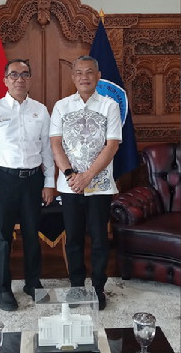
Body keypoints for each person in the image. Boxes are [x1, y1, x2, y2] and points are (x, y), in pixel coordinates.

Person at [0, 59, 55, 311]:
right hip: (3, 180)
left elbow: (47, 149)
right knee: (1, 238)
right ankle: (3, 289)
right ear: (5, 80)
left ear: (30, 79)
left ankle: (33, 283)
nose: (19, 79)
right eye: (14, 75)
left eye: (24, 74)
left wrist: (49, 182)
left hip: (33, 180)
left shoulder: (40, 110)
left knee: (32, 234)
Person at [49, 55, 122, 310]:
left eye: (89, 72)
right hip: (70, 186)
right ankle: (77, 287)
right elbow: (55, 144)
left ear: (98, 76)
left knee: (100, 238)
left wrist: (87, 176)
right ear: (73, 77)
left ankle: (98, 287)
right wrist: (71, 175)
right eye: (79, 72)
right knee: (74, 238)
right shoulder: (61, 106)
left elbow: (112, 146)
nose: (84, 77)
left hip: (99, 186)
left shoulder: (110, 106)